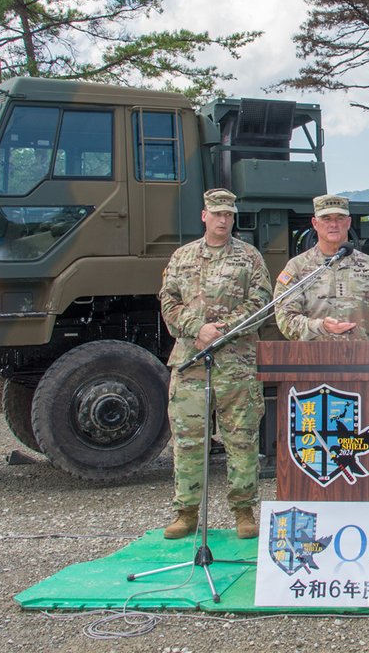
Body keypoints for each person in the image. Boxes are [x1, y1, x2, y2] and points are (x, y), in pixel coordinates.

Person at [158, 188, 271, 541]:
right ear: (204, 215)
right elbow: (168, 301)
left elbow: (262, 302)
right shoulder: (182, 257)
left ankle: (243, 510)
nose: (223, 219)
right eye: (217, 213)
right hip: (191, 362)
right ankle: (186, 512)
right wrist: (198, 329)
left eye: (229, 214)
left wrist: (222, 330)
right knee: (189, 440)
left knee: (242, 439)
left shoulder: (249, 258)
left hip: (236, 363)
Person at [274, 194, 369, 361]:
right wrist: (320, 326)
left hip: (362, 362)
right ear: (315, 224)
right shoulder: (297, 268)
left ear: (348, 222)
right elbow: (286, 318)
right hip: (311, 363)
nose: (333, 224)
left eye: (340, 218)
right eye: (326, 218)